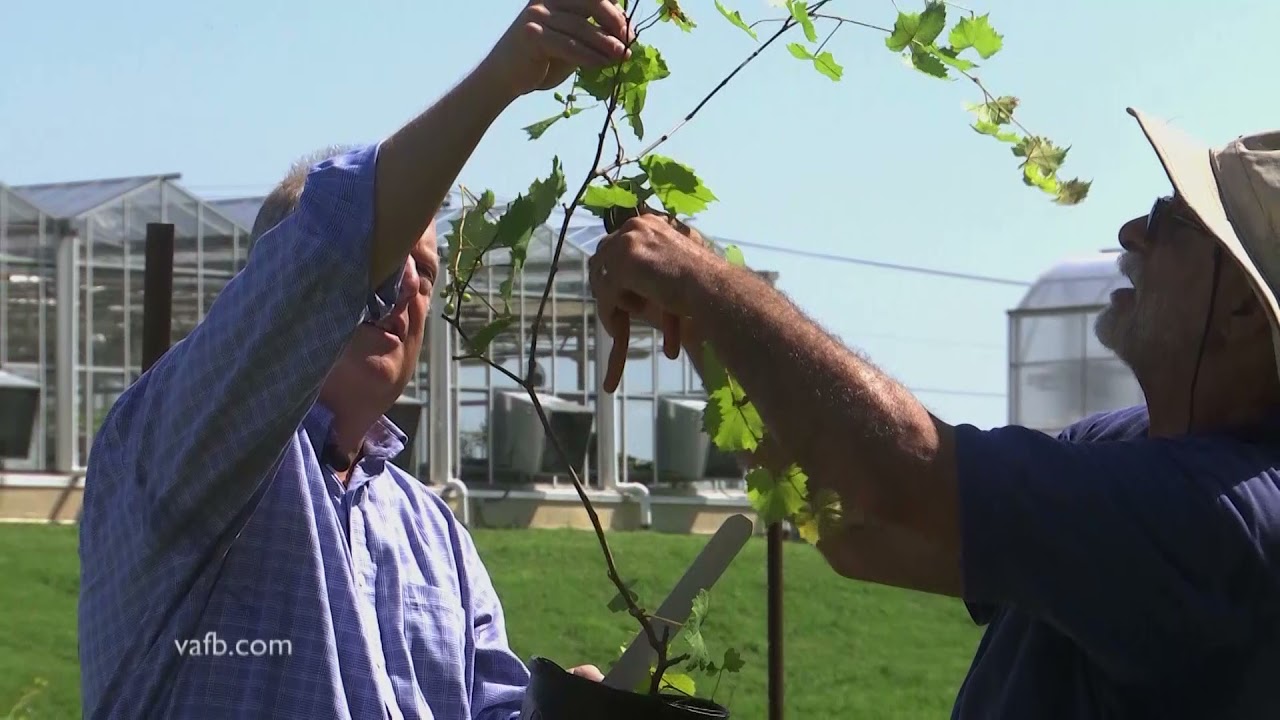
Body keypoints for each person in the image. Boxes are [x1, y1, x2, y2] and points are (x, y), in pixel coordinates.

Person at [588, 109, 1280, 718]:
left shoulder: (1209, 519)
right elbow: (855, 531)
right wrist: (705, 329)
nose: (1132, 233)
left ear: (1245, 308)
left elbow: (900, 469)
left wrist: (706, 282)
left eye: (1169, 220)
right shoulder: (1121, 446)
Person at [76, 2, 630, 717]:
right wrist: (501, 79)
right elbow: (327, 248)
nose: (402, 293)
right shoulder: (179, 448)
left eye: (424, 277)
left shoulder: (435, 535)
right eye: (388, 264)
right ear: (278, 292)